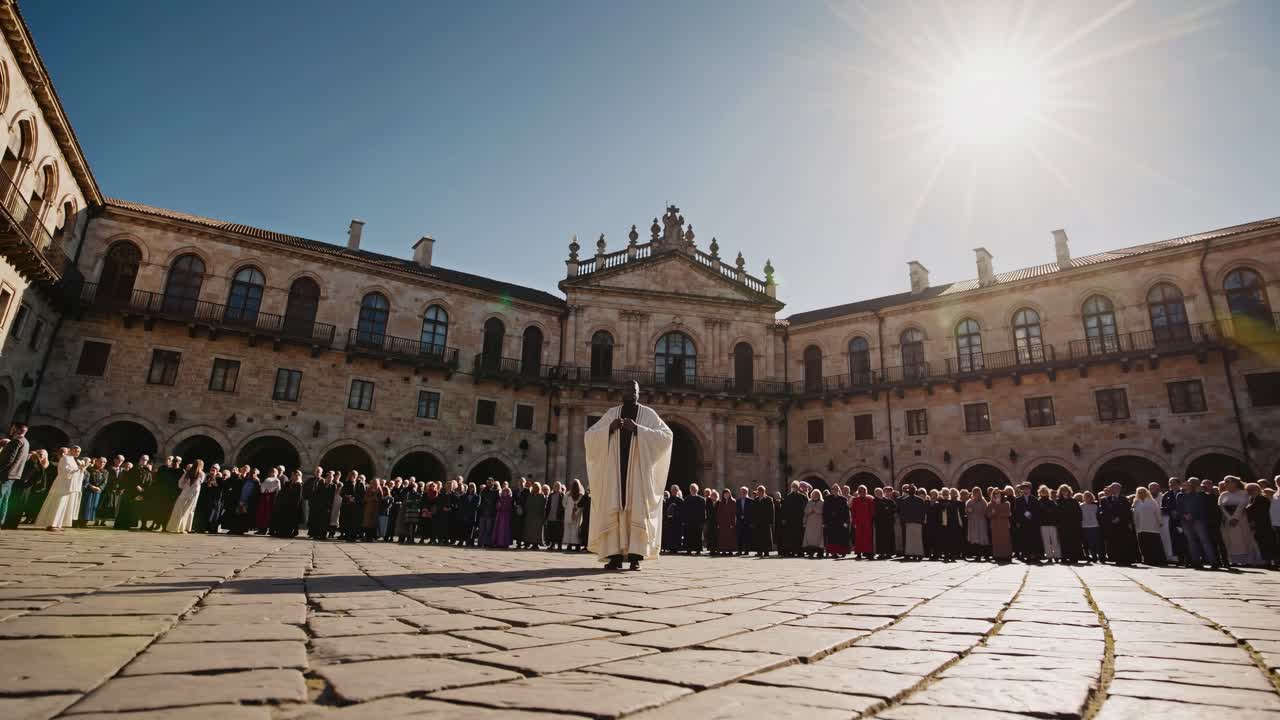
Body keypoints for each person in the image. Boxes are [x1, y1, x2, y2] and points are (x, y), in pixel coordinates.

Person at [584, 381, 673, 571]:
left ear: (638, 393)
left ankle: (635, 559)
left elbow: (667, 436)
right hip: (615, 473)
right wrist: (609, 429)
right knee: (614, 510)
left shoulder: (648, 414)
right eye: (626, 389)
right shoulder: (612, 414)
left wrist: (638, 429)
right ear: (621, 392)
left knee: (637, 510)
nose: (629, 392)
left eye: (633, 390)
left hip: (637, 474)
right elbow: (589, 436)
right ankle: (614, 557)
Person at [36, 446, 88, 531]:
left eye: (79, 451)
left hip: (69, 486)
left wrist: (82, 469)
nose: (77, 453)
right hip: (62, 485)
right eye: (76, 451)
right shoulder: (65, 458)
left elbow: (76, 472)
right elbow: (65, 471)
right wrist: (78, 468)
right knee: (58, 504)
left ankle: (58, 524)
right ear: (71, 450)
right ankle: (52, 524)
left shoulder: (72, 460)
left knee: (64, 505)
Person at [1219, 476, 1261, 566]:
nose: (1226, 483)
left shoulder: (1244, 493)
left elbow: (1242, 505)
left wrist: (1235, 517)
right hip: (1228, 521)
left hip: (1241, 520)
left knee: (1243, 539)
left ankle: (1247, 561)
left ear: (1235, 483)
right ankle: (1233, 560)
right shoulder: (1223, 494)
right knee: (1230, 540)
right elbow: (1221, 506)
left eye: (1228, 481)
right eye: (1225, 481)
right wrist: (1229, 518)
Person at [1177, 478, 1219, 569]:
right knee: (1191, 541)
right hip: (1185, 520)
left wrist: (1192, 515)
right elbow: (1179, 507)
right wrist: (1184, 515)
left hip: (1198, 520)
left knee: (1204, 540)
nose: (1185, 486)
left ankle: (1213, 562)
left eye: (1187, 484)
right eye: (1184, 485)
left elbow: (1202, 507)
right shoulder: (1180, 495)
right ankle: (1196, 562)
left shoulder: (1198, 494)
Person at [1099, 482, 1137, 566]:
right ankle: (1117, 559)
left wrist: (1120, 518)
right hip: (1112, 525)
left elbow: (1127, 511)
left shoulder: (1124, 499)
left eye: (1113, 488)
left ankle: (1127, 559)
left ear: (1118, 489)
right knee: (1114, 543)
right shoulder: (1105, 500)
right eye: (1110, 488)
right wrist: (1111, 518)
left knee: (1124, 543)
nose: (1111, 490)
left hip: (1123, 525)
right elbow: (1104, 512)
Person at [0, 423, 30, 529]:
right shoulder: (26, 442)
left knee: (1, 497)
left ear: (16, 430)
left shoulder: (17, 441)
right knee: (5, 499)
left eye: (12, 428)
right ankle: (1, 521)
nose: (10, 430)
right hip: (14, 475)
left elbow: (9, 459)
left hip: (6, 474)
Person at [165, 460, 204, 533]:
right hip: (192, 496)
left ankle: (173, 527)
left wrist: (185, 487)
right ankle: (182, 528)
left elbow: (180, 484)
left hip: (184, 494)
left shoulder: (187, 473)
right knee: (186, 512)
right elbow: (199, 484)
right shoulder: (201, 474)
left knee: (178, 511)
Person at [1132, 486, 1166, 566]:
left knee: (1155, 544)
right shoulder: (1136, 502)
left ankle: (1159, 560)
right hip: (1141, 527)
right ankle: (1148, 559)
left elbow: (1157, 512)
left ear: (1146, 492)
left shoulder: (1152, 501)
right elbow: (1134, 514)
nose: (1141, 494)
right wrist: (1134, 524)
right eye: (1139, 492)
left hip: (1152, 526)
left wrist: (1160, 521)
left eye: (1143, 492)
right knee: (1144, 545)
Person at [1246, 482, 1276, 569]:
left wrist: (1254, 521)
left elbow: (1263, 513)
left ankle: (1269, 562)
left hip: (1264, 525)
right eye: (1248, 490)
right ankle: (1266, 561)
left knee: (1266, 543)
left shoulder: (1262, 499)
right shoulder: (1252, 499)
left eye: (1251, 490)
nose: (1249, 492)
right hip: (1258, 525)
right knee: (1261, 543)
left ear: (1257, 490)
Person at [1012, 483, 1041, 563]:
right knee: (1024, 538)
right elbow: (1016, 512)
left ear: (1030, 489)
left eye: (1027, 489)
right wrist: (1018, 521)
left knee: (1033, 538)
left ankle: (1034, 554)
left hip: (1032, 522)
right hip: (1023, 522)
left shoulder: (1035, 499)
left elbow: (1037, 510)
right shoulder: (1018, 500)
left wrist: (1031, 514)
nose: (1026, 490)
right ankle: (1026, 554)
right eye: (1024, 489)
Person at [897, 484, 927, 560]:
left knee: (917, 539)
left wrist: (921, 520)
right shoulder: (905, 500)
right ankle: (909, 553)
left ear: (915, 491)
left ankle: (918, 553)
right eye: (910, 490)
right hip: (909, 522)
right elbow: (902, 512)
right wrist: (904, 520)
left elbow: (923, 512)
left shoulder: (920, 500)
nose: (911, 491)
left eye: (913, 490)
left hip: (916, 522)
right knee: (909, 540)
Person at [78, 457, 109, 528]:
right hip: (88, 490)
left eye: (104, 462)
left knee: (93, 507)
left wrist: (100, 488)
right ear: (96, 462)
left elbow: (105, 482)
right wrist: (91, 486)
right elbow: (85, 480)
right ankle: (80, 521)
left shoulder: (105, 471)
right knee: (85, 506)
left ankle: (86, 522)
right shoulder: (89, 469)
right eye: (100, 461)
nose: (102, 463)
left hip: (97, 491)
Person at [1056, 485, 1084, 564]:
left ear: (1069, 491)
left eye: (1066, 490)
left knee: (1073, 541)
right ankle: (1064, 557)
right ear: (1060, 492)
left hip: (1073, 525)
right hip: (1063, 525)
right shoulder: (1058, 501)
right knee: (1063, 541)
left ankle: (1074, 557)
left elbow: (1078, 513)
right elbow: (1056, 513)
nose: (1064, 492)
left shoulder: (1073, 501)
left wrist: (1078, 522)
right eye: (1062, 491)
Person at [779, 481, 808, 557]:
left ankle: (799, 551)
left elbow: (806, 508)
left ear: (798, 488)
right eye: (793, 487)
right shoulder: (787, 497)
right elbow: (784, 509)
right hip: (790, 520)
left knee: (799, 537)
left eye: (796, 487)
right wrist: (783, 519)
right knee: (790, 537)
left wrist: (805, 519)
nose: (794, 488)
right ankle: (790, 551)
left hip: (799, 520)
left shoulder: (803, 497)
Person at [823, 485, 851, 557]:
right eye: (833, 489)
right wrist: (825, 522)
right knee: (832, 538)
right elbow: (825, 511)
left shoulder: (843, 499)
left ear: (838, 490)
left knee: (841, 537)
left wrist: (846, 522)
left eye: (836, 489)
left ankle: (842, 552)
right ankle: (834, 552)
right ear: (831, 490)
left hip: (841, 522)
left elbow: (846, 512)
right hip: (831, 522)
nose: (834, 490)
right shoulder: (828, 499)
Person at [1035, 485, 1061, 562]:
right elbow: (1037, 513)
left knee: (1054, 540)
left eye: (1045, 491)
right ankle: (1049, 556)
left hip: (1052, 523)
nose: (1043, 492)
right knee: (1046, 541)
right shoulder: (1038, 502)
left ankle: (1057, 556)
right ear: (1039, 493)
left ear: (1047, 492)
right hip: (1043, 524)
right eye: (1042, 491)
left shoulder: (1051, 502)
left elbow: (1056, 513)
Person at [681, 483, 708, 554]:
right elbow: (684, 511)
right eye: (692, 489)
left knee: (697, 536)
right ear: (690, 490)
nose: (693, 490)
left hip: (698, 522)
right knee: (689, 536)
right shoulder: (686, 499)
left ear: (697, 490)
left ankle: (698, 550)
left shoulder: (702, 500)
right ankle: (689, 549)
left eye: (694, 489)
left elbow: (703, 512)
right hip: (689, 522)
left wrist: (702, 522)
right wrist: (684, 521)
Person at [987, 487, 1012, 562]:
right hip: (995, 524)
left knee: (1005, 539)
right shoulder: (990, 504)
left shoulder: (1006, 503)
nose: (996, 495)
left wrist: (998, 510)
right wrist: (992, 513)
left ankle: (1006, 555)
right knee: (996, 540)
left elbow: (1008, 513)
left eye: (998, 493)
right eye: (995, 493)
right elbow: (988, 514)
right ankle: (997, 555)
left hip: (1004, 524)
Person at [748, 485, 774, 557]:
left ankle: (766, 551)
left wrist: (771, 521)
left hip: (765, 522)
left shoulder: (769, 499)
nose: (759, 493)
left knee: (766, 538)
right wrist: (752, 521)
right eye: (758, 491)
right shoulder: (756, 500)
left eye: (761, 491)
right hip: (757, 522)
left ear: (764, 491)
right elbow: (753, 511)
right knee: (758, 537)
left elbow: (771, 511)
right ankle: (759, 551)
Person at [850, 485, 875, 559]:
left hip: (868, 521)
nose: (862, 493)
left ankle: (868, 552)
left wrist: (872, 520)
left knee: (868, 538)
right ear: (859, 492)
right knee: (859, 538)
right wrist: (854, 522)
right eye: (860, 491)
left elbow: (872, 511)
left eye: (864, 491)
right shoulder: (855, 500)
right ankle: (858, 552)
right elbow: (853, 512)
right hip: (858, 522)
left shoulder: (869, 499)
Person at [964, 486, 989, 559]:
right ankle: (977, 554)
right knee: (975, 538)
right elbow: (967, 512)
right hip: (972, 522)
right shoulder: (969, 502)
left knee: (981, 537)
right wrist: (969, 511)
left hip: (981, 521)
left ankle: (983, 554)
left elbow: (985, 511)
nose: (976, 493)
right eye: (974, 492)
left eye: (977, 492)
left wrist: (980, 514)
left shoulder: (983, 501)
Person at [872, 487, 897, 559]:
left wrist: (888, 510)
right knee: (880, 539)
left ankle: (889, 553)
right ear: (875, 494)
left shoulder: (889, 501)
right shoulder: (873, 501)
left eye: (880, 492)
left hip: (888, 523)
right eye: (877, 493)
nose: (878, 494)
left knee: (889, 538)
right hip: (879, 523)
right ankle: (881, 553)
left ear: (882, 492)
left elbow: (894, 509)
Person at [523, 482, 547, 549]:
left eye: (537, 487)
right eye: (534, 487)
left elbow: (544, 507)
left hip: (538, 516)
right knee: (530, 530)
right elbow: (527, 505)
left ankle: (536, 544)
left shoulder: (542, 496)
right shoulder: (530, 496)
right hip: (530, 516)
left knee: (537, 531)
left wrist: (543, 516)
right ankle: (530, 542)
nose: (535, 488)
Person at [1081, 491, 1103, 562]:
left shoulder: (1095, 505)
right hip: (1085, 526)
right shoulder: (1081, 506)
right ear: (1084, 498)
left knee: (1097, 543)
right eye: (1086, 496)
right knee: (1089, 543)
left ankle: (1100, 557)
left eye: (1089, 496)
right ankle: (1092, 557)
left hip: (1095, 526)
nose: (1088, 498)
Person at [802, 489, 824, 558]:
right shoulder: (809, 502)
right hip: (810, 523)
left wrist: (816, 510)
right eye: (814, 494)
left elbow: (823, 511)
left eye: (816, 494)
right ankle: (810, 551)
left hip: (818, 522)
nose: (815, 495)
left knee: (819, 537)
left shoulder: (822, 502)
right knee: (810, 537)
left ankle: (819, 552)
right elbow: (805, 511)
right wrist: (804, 521)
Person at [563, 479, 585, 550]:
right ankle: (569, 544)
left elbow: (581, 505)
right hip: (568, 514)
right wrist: (568, 509)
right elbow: (564, 503)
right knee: (568, 529)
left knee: (575, 530)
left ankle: (577, 545)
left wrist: (575, 512)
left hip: (577, 515)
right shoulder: (568, 494)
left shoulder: (581, 495)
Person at [715, 489, 738, 555]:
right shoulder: (721, 502)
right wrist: (718, 523)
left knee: (730, 537)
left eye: (727, 493)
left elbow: (734, 513)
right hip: (722, 523)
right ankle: (723, 550)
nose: (726, 495)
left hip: (730, 522)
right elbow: (718, 513)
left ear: (730, 494)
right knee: (723, 537)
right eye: (725, 494)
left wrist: (732, 523)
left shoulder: (733, 501)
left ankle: (730, 551)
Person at [662, 485, 684, 553]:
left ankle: (676, 548)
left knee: (677, 535)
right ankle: (670, 547)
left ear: (677, 491)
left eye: (675, 490)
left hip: (677, 521)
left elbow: (683, 511)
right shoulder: (668, 500)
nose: (673, 492)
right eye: (672, 490)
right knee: (670, 534)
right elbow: (665, 511)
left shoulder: (680, 500)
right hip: (670, 521)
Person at [546, 481, 565, 551]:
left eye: (558, 486)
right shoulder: (551, 495)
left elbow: (564, 506)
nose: (557, 487)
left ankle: (559, 546)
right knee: (551, 531)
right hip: (551, 516)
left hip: (558, 517)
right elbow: (548, 506)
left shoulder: (562, 495)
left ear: (560, 487)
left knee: (559, 532)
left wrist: (562, 515)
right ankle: (552, 544)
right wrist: (546, 515)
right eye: (555, 486)